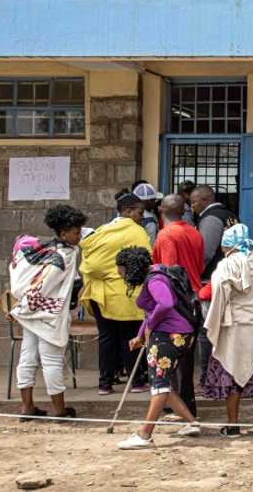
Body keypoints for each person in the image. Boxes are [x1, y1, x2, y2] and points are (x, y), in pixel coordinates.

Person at [114, 246, 201, 449]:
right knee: (163, 385)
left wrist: (151, 326)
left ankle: (145, 435)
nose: (122, 277)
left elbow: (165, 303)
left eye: (122, 273)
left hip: (167, 336)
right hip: (177, 334)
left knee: (159, 385)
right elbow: (152, 310)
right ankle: (192, 423)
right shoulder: (158, 273)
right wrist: (140, 335)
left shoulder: (154, 280)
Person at [9, 204, 88, 421]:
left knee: (27, 358)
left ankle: (27, 407)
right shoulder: (63, 256)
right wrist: (25, 304)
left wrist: (22, 307)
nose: (79, 235)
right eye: (75, 232)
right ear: (63, 233)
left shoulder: (47, 250)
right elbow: (43, 284)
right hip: (48, 315)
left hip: (30, 316)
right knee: (52, 360)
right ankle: (60, 411)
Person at [203, 224, 253, 435]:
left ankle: (233, 425)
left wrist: (212, 324)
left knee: (232, 375)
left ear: (228, 246)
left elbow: (219, 297)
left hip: (234, 328)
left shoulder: (227, 265)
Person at [80, 192, 151, 394]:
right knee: (130, 337)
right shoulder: (137, 232)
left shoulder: (102, 230)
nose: (141, 216)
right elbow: (145, 261)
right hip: (125, 294)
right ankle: (136, 382)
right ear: (127, 211)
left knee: (107, 338)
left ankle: (105, 383)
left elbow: (90, 264)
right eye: (139, 212)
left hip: (100, 294)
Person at [151, 193, 205, 417]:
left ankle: (178, 409)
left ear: (161, 211)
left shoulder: (166, 235)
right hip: (194, 298)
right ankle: (186, 406)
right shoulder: (195, 233)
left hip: (176, 301)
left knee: (168, 359)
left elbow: (168, 272)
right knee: (186, 361)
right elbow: (200, 266)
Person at [190, 185, 237, 382]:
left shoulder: (211, 219)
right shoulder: (229, 215)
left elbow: (205, 253)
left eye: (194, 202)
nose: (191, 206)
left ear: (206, 199)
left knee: (207, 331)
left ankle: (208, 377)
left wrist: (192, 273)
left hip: (212, 281)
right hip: (227, 278)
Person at [132, 181, 162, 246]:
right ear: (148, 201)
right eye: (154, 200)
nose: (155, 202)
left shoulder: (127, 213)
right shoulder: (150, 219)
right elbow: (152, 244)